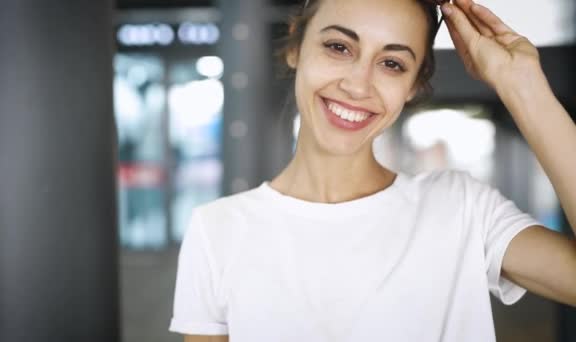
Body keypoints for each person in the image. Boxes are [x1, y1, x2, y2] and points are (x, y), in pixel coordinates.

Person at [169, 0, 576, 341]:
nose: (358, 85)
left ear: (415, 85)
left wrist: (521, 85)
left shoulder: (461, 208)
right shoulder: (216, 230)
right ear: (297, 47)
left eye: (393, 64)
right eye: (339, 47)